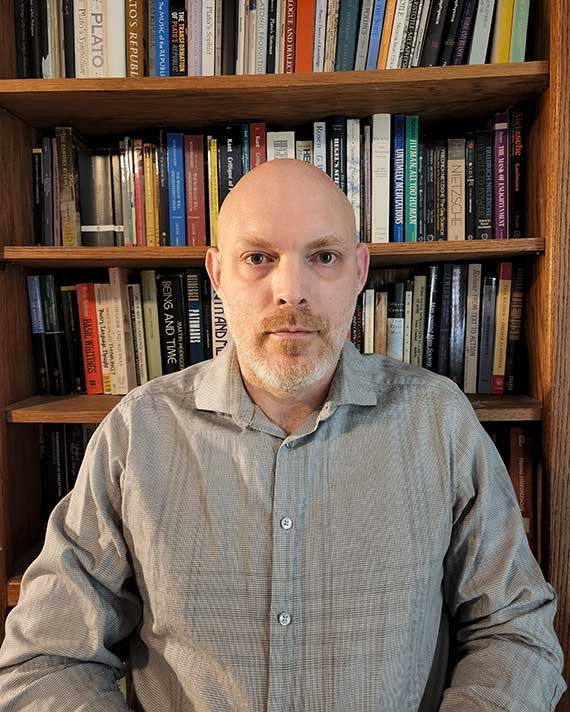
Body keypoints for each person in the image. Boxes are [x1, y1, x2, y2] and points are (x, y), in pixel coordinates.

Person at [0, 158, 565, 711]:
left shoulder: (437, 422)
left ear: (360, 271)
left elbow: (515, 629)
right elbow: (46, 659)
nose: (290, 291)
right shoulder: (138, 432)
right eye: (258, 258)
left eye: (323, 256)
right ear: (217, 273)